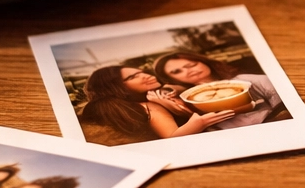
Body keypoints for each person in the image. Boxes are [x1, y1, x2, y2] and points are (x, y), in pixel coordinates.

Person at [79, 66, 236, 143]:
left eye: (141, 72)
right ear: (114, 86)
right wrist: (198, 122)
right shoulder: (147, 106)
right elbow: (171, 137)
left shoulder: (151, 99)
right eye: (133, 77)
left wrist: (171, 91)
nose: (145, 75)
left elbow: (176, 88)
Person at [152, 50, 287, 129]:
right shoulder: (184, 101)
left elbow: (285, 106)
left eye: (191, 64)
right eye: (177, 71)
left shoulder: (246, 80)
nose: (188, 71)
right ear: (170, 79)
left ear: (204, 62)